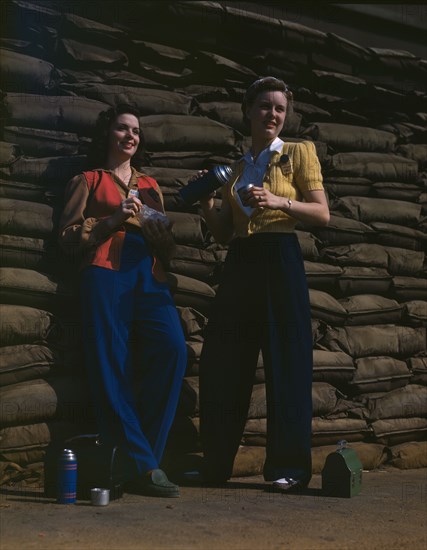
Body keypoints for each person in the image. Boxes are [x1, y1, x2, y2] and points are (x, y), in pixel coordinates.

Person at [195, 77, 330, 491]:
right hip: (241, 261)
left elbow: (322, 213)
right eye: (265, 106)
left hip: (280, 257)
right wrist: (207, 203)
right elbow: (223, 233)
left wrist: (278, 201)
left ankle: (288, 468)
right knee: (223, 360)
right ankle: (215, 465)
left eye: (279, 109)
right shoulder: (236, 169)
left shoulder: (297, 153)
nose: (272, 114)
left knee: (286, 361)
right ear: (248, 110)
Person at [58, 104, 187, 498]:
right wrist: (114, 219)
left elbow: (167, 244)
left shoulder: (150, 185)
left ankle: (135, 460)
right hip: (105, 272)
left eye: (135, 131)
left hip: (148, 276)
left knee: (173, 350)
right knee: (109, 362)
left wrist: (160, 230)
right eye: (122, 129)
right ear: (107, 135)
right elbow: (66, 238)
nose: (130, 136)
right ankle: (146, 466)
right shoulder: (88, 180)